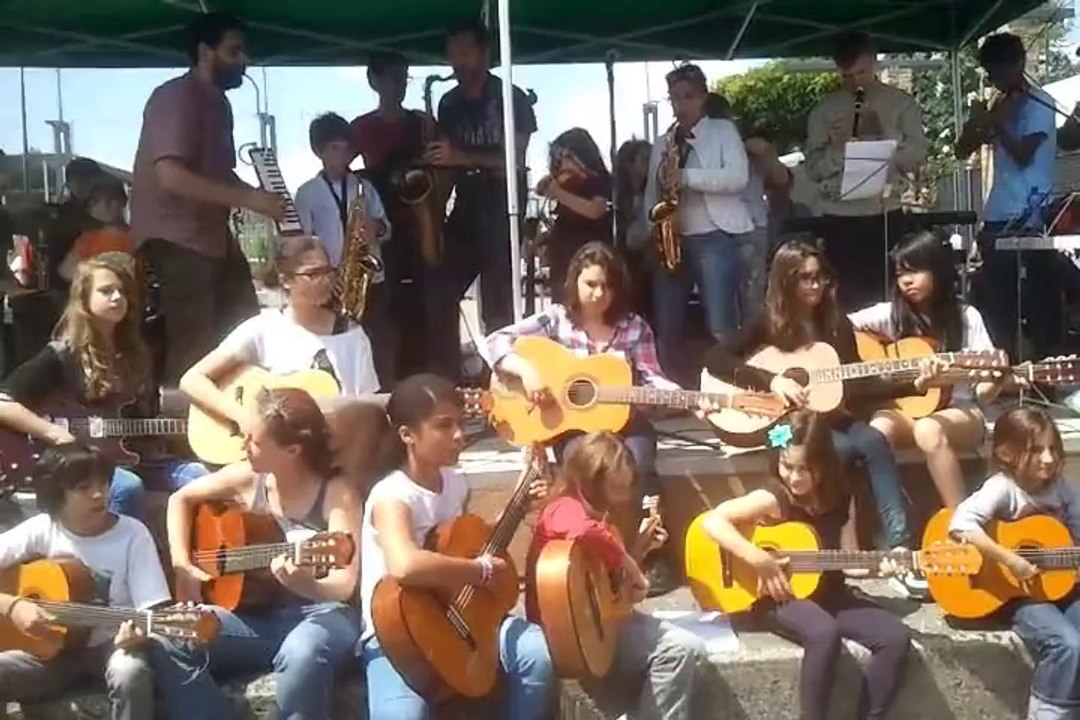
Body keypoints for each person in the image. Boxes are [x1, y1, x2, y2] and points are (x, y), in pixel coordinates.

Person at [703, 239, 925, 597]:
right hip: (778, 432)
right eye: (805, 278)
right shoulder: (767, 323)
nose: (815, 285)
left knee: (873, 440)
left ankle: (900, 549)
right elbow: (716, 359)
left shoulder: (836, 324)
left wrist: (916, 385)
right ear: (785, 281)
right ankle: (830, 550)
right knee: (826, 452)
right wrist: (772, 381)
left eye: (819, 277)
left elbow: (856, 385)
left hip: (828, 420)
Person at [486, 242, 683, 592]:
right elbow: (497, 341)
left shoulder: (634, 327)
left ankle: (648, 553)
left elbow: (652, 376)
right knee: (588, 466)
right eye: (590, 284)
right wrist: (528, 371)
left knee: (639, 461)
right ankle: (588, 554)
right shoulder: (556, 320)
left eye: (606, 285)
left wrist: (685, 397)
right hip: (572, 424)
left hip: (623, 418)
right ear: (574, 282)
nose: (599, 293)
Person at [154, 387, 362, 720]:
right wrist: (182, 565)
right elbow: (181, 499)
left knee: (303, 652)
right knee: (171, 636)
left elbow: (344, 585)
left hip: (322, 615)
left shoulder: (337, 493)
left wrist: (306, 584)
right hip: (254, 618)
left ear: (292, 449)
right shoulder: (249, 478)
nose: (242, 445)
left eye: (253, 440)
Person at [358, 373, 554, 719]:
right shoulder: (392, 496)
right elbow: (404, 564)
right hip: (398, 637)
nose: (459, 435)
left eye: (461, 424)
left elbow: (462, 544)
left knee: (536, 655)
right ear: (407, 435)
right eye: (444, 426)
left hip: (460, 617)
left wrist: (518, 506)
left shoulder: (455, 482)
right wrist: (478, 571)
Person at [699, 410, 911, 720]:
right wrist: (757, 558)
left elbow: (850, 561)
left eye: (805, 469)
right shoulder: (774, 498)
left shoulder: (840, 496)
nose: (794, 477)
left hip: (827, 590)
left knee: (894, 637)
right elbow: (713, 521)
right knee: (824, 632)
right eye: (787, 466)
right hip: (776, 594)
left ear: (824, 465)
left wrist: (882, 566)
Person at [130, 12, 286, 386]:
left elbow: (218, 174)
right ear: (205, 51)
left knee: (246, 330)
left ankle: (240, 423)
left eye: (244, 51)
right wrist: (249, 200)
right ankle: (182, 436)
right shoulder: (175, 96)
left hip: (210, 237)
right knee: (194, 344)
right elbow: (171, 175)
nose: (244, 61)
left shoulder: (219, 104)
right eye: (234, 51)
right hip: (176, 238)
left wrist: (260, 196)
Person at [0, 255, 208, 514]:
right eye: (106, 291)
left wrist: (183, 430)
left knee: (201, 477)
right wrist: (53, 433)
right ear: (84, 301)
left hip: (135, 456)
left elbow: (146, 417)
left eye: (122, 291)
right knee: (128, 487)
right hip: (81, 462)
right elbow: (4, 403)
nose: (118, 297)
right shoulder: (61, 353)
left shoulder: (137, 352)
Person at [526, 432, 707, 718]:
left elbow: (606, 588)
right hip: (569, 632)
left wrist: (640, 548)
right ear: (589, 480)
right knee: (681, 650)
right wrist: (630, 564)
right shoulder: (562, 507)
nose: (624, 496)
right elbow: (583, 531)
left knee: (689, 647)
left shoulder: (603, 519)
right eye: (615, 487)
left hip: (597, 623)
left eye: (626, 485)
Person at [179, 235, 381, 482]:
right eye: (313, 274)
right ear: (286, 280)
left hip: (333, 459)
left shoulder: (353, 335)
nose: (326, 280)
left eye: (329, 271)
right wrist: (244, 418)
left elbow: (369, 409)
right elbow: (192, 380)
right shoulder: (264, 328)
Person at [0, 443, 171, 719]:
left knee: (131, 672)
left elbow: (154, 609)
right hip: (49, 655)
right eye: (83, 488)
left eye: (103, 484)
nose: (98, 494)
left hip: (111, 647)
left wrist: (138, 635)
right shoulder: (43, 528)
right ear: (56, 494)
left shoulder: (132, 534)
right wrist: (13, 607)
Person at [848, 230, 1009, 508]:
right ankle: (891, 521)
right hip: (905, 410)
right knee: (876, 431)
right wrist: (878, 362)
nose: (907, 281)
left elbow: (982, 394)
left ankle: (961, 523)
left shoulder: (965, 318)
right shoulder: (889, 315)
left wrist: (995, 380)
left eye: (915, 271)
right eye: (900, 274)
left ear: (937, 269)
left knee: (928, 430)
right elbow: (840, 327)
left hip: (959, 410)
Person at [949, 407, 1080, 720]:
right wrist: (1010, 559)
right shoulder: (1003, 487)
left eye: (1053, 449)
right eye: (1036, 450)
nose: (1048, 459)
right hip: (1013, 593)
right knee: (1066, 645)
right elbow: (960, 523)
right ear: (1007, 453)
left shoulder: (1063, 488)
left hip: (1060, 585)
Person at [425, 20, 538, 380]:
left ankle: (503, 385)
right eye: (452, 54)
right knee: (439, 290)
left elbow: (515, 161)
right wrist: (432, 216)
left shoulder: (512, 97)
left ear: (484, 53)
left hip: (502, 207)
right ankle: (450, 380)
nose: (456, 61)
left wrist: (459, 156)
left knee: (499, 305)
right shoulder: (449, 102)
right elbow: (446, 163)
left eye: (464, 52)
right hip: (466, 207)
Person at [804, 31, 928, 310]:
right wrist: (839, 148)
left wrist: (883, 137)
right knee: (843, 299)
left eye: (862, 72)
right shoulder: (825, 109)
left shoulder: (901, 104)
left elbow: (917, 155)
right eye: (847, 76)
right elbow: (813, 169)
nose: (856, 82)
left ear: (874, 62)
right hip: (840, 217)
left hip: (885, 213)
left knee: (890, 296)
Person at [644, 63, 753, 376]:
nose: (681, 104)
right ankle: (674, 388)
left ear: (703, 97)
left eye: (688, 96)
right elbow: (652, 191)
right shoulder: (664, 141)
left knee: (720, 323)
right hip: (673, 239)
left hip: (714, 236)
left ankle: (733, 383)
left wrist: (687, 176)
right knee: (667, 321)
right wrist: (652, 228)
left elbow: (738, 178)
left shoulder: (722, 131)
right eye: (675, 98)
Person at [957, 32, 1060, 363]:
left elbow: (1023, 155)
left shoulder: (1040, 103)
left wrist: (998, 124)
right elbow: (962, 150)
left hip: (1031, 215)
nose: (994, 81)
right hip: (999, 212)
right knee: (994, 300)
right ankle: (1003, 369)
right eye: (990, 74)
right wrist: (979, 123)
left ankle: (1045, 367)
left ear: (1019, 64)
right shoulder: (999, 104)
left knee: (1038, 298)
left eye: (998, 73)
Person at [294, 112, 392, 387]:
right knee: (339, 345)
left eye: (347, 149)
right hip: (332, 282)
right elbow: (304, 239)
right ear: (319, 151)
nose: (343, 156)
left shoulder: (365, 187)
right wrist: (326, 273)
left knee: (377, 342)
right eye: (334, 148)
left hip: (369, 280)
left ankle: (382, 394)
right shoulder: (308, 192)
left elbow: (386, 226)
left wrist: (378, 228)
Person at [350, 51, 429, 380]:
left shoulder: (423, 122)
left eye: (404, 77)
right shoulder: (361, 128)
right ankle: (390, 379)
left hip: (419, 224)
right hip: (384, 231)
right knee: (386, 306)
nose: (400, 85)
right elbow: (339, 170)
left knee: (425, 304)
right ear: (374, 81)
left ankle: (425, 373)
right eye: (394, 77)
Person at [536, 128, 612, 301]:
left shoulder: (598, 179)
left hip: (588, 257)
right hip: (563, 259)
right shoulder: (566, 183)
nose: (560, 163)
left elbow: (595, 209)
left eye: (564, 157)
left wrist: (559, 193)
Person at [60, 174, 134, 281]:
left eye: (114, 198)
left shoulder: (138, 238)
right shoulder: (88, 239)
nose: (111, 204)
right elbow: (66, 271)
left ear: (123, 201)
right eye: (96, 200)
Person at [613, 139, 654, 321]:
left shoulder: (653, 191)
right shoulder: (617, 196)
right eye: (644, 159)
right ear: (629, 165)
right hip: (628, 262)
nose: (650, 163)